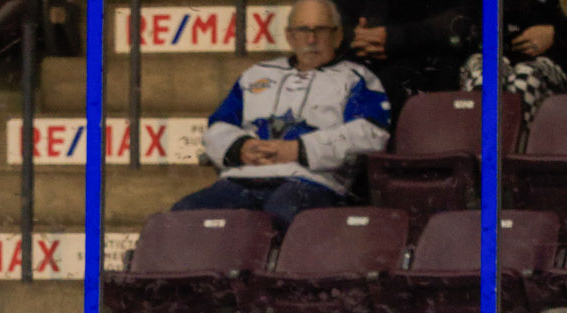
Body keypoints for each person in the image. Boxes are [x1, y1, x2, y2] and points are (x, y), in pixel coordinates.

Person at [175, 0, 391, 230]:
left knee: (280, 216)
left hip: (310, 181)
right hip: (243, 179)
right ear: (289, 36)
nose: (311, 39)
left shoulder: (356, 78)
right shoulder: (256, 74)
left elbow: (371, 133)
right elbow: (218, 125)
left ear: (338, 36)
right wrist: (241, 148)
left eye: (321, 30)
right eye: (303, 30)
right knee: (184, 216)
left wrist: (301, 150)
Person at [344, 0, 479, 111]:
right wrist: (350, 36)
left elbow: (472, 17)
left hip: (437, 75)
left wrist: (399, 37)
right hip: (357, 72)